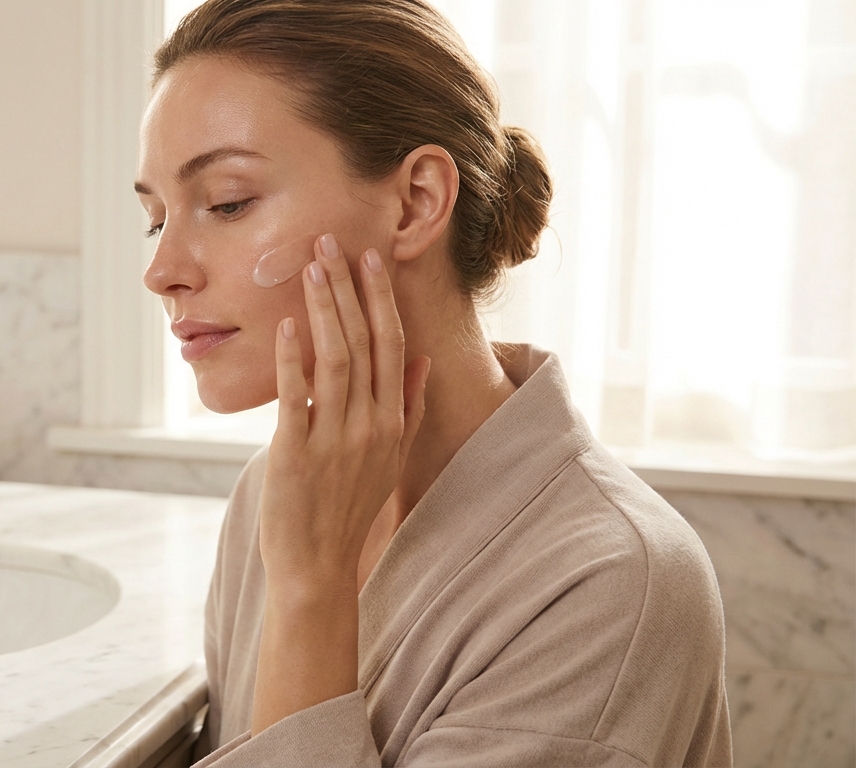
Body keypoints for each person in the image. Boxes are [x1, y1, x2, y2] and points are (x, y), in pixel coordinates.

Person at [135, 1, 733, 765]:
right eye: (157, 219)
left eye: (227, 203)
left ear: (417, 202)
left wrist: (312, 591)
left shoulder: (615, 583)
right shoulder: (277, 493)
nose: (162, 271)